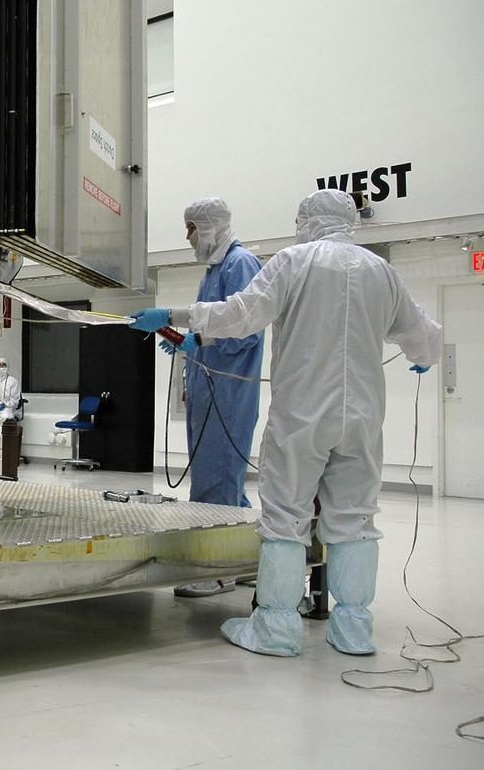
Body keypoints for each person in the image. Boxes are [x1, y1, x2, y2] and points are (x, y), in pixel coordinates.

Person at [129, 189, 440, 657]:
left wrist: (172, 316)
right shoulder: (381, 270)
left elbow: (239, 314)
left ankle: (276, 628)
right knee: (356, 519)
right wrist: (425, 357)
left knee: (286, 518)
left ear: (308, 221)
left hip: (302, 415)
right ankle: (353, 629)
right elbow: (420, 331)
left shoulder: (293, 262)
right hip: (361, 416)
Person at [164, 198, 265, 598]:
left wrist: (199, 339)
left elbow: (246, 331)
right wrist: (189, 344)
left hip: (229, 392)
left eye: (191, 227)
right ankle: (248, 559)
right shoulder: (216, 270)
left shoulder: (239, 265)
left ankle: (216, 567)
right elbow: (210, 324)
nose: (187, 236)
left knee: (216, 479)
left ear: (208, 226)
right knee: (226, 481)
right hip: (211, 390)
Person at [0, 356, 21, 424]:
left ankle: (1, 433)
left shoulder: (13, 381)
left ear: (7, 367)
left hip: (7, 408)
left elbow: (15, 401)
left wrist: (4, 405)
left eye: (4, 365)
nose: (1, 368)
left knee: (4, 417)